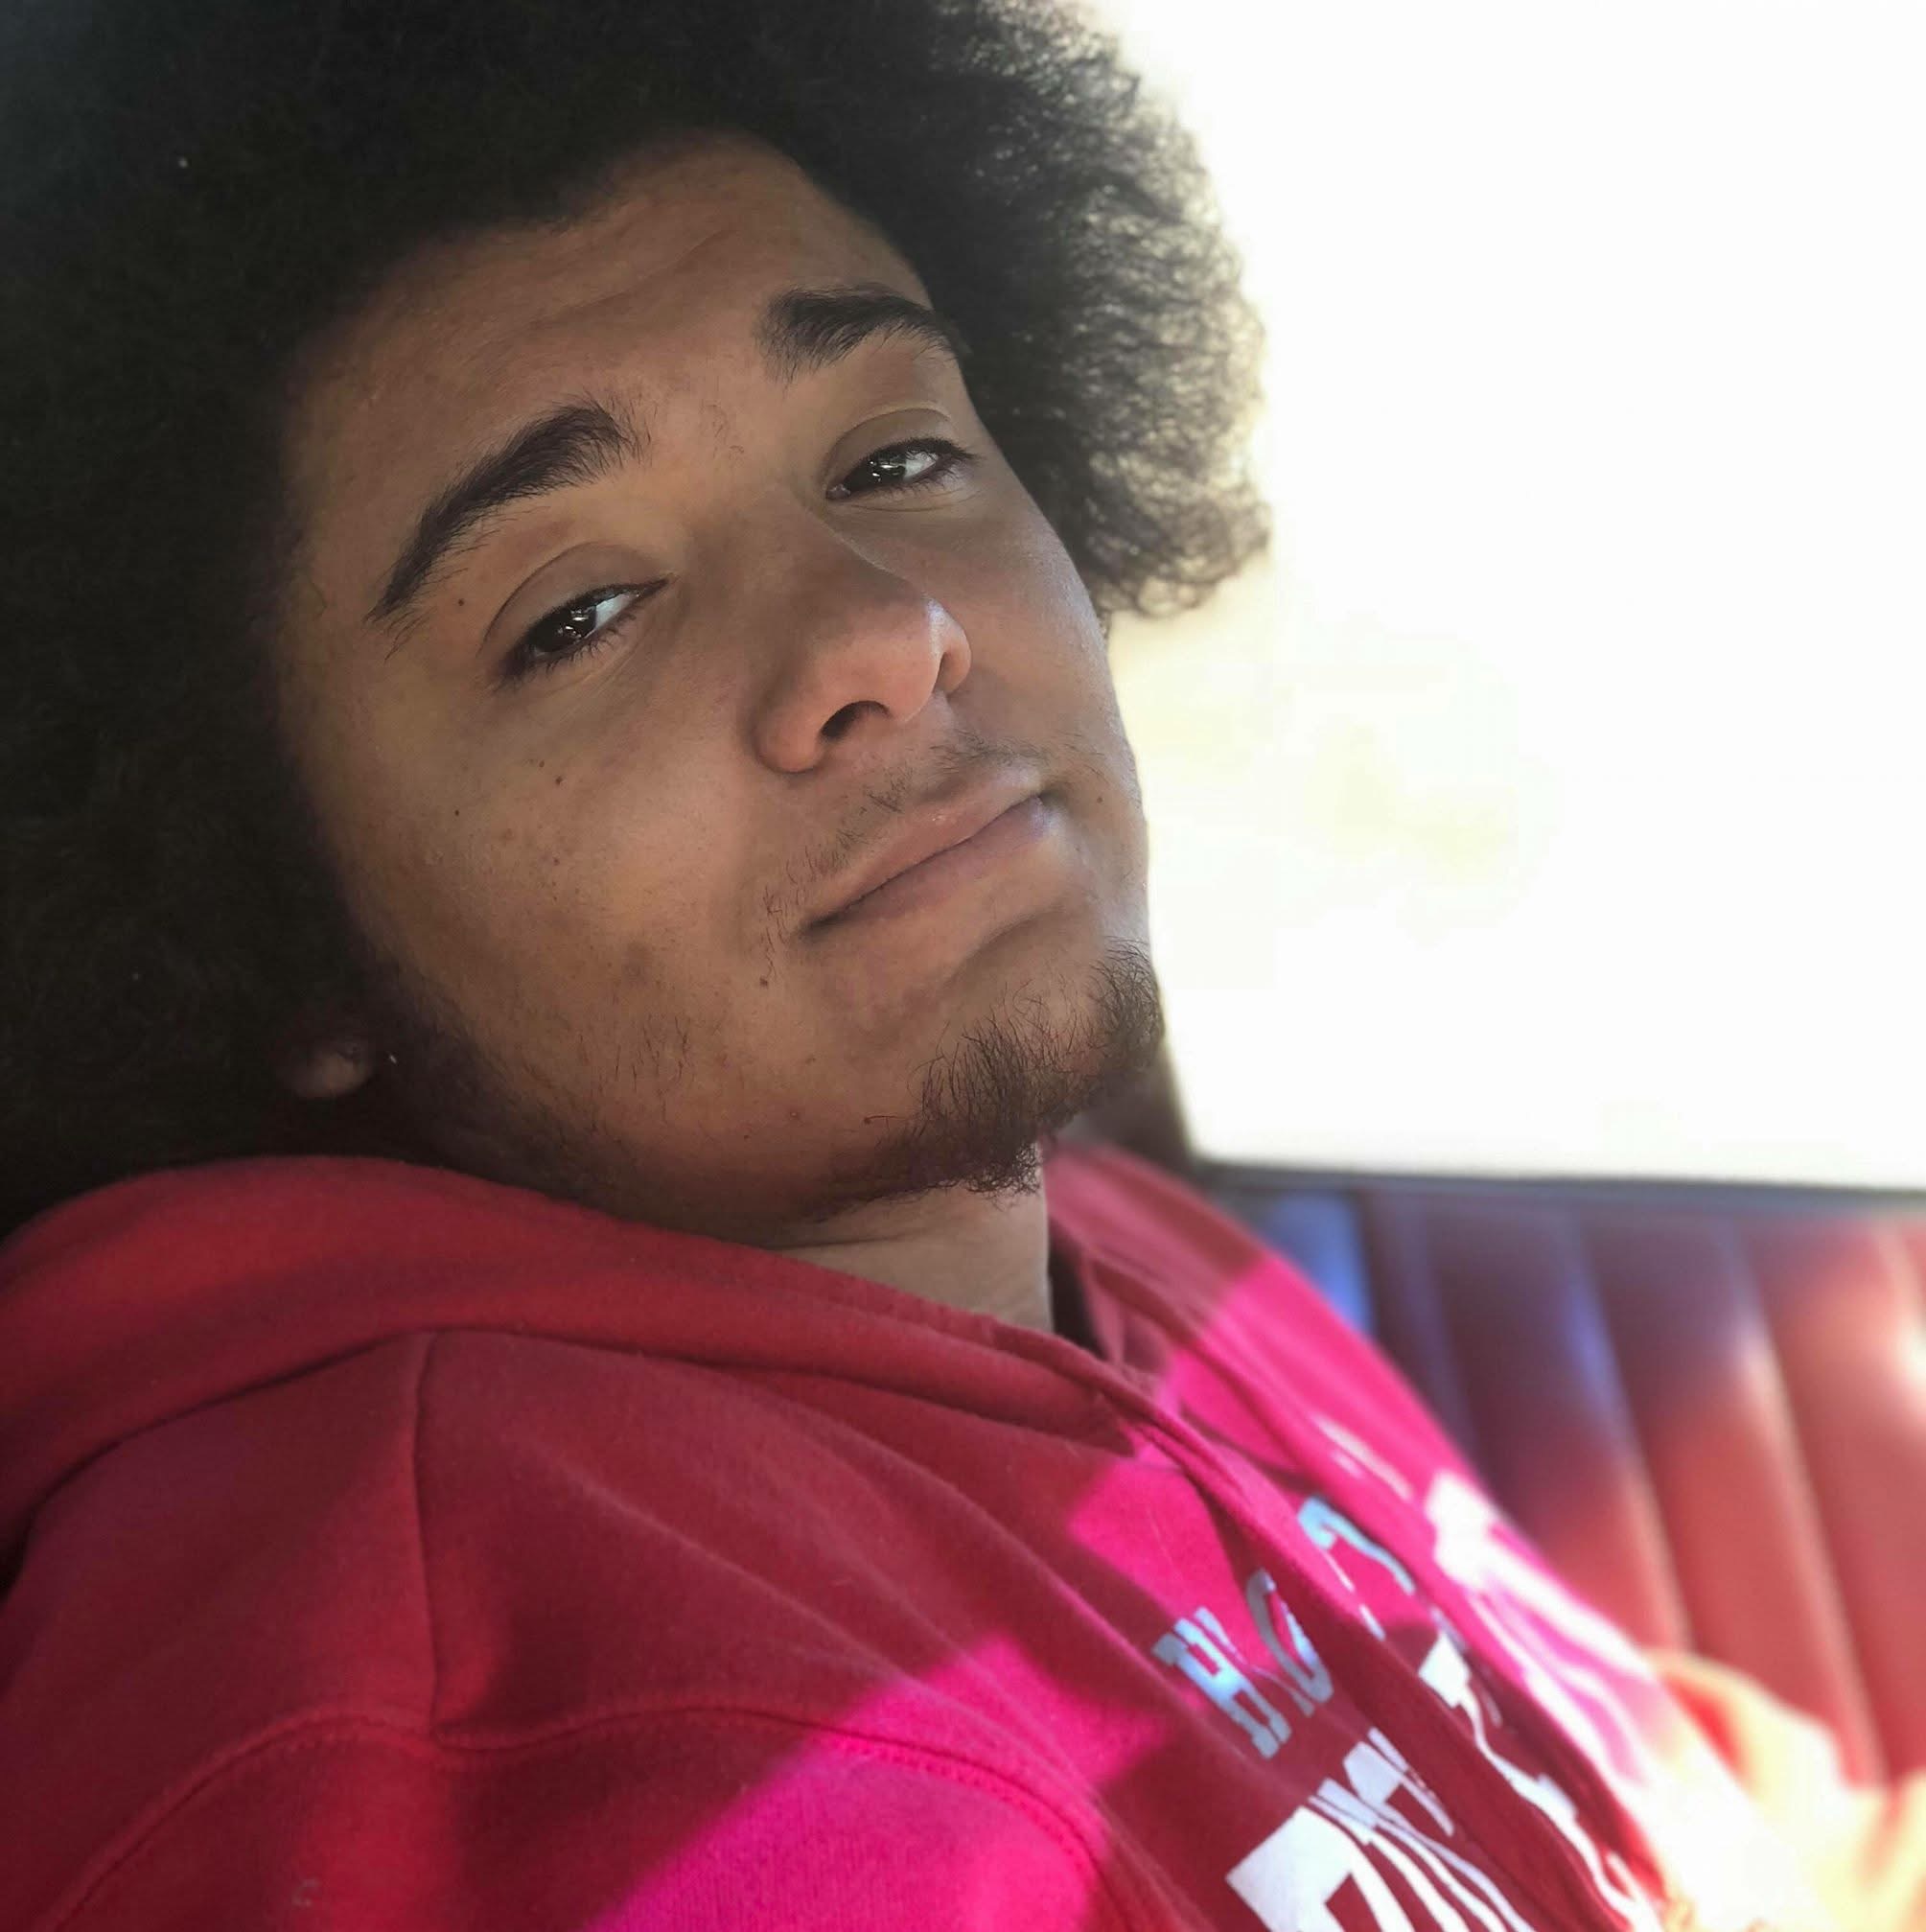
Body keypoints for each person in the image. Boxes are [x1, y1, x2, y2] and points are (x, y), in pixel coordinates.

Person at [0, 0, 1915, 1926]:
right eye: (582, 611)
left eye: (898, 457)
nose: (886, 629)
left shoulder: (1109, 1250)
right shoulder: (496, 1734)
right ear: (273, 919)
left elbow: (1697, 1832)